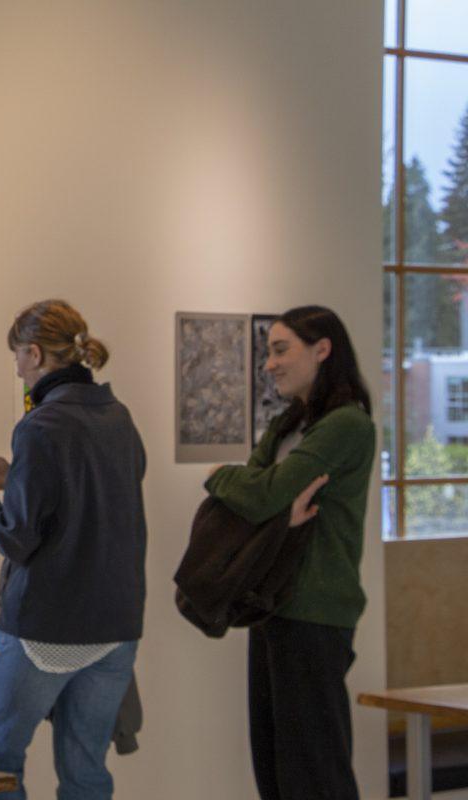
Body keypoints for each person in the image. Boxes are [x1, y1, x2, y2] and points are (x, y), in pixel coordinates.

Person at [0, 300, 147, 800]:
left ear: (35, 354)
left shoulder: (40, 425)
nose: (16, 367)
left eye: (17, 355)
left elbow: (17, 538)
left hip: (46, 628)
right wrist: (13, 476)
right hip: (115, 628)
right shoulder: (117, 416)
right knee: (85, 771)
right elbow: (90, 500)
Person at [205, 305, 374, 800]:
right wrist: (267, 499)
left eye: (281, 350)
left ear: (322, 350)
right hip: (269, 604)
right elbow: (261, 496)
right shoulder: (287, 425)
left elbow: (261, 493)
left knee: (315, 771)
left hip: (316, 612)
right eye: (268, 353)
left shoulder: (347, 426)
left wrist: (219, 476)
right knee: (274, 769)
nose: (269, 364)